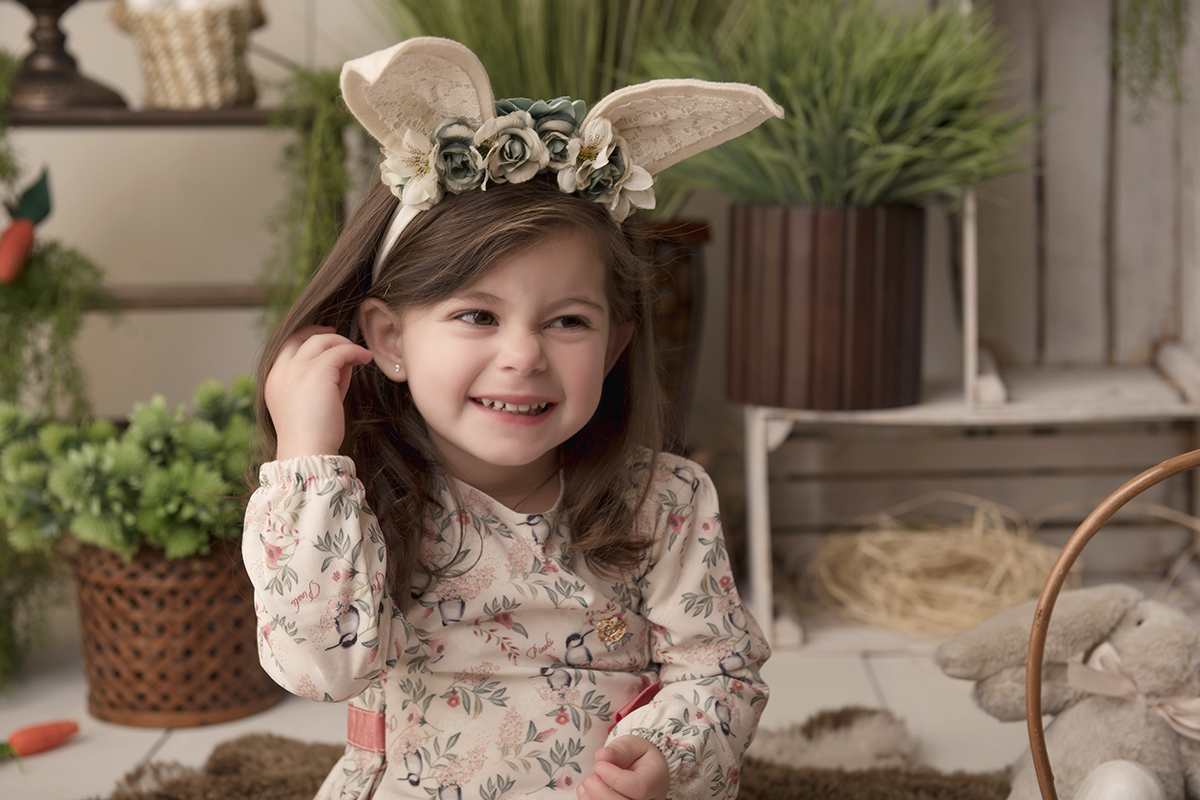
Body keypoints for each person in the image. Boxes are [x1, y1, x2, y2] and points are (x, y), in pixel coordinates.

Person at [243, 37, 783, 800]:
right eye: (476, 316)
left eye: (567, 322)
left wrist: (666, 754)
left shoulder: (663, 500)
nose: (523, 356)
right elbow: (318, 668)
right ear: (389, 339)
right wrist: (306, 457)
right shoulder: (353, 501)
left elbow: (719, 670)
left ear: (613, 344)